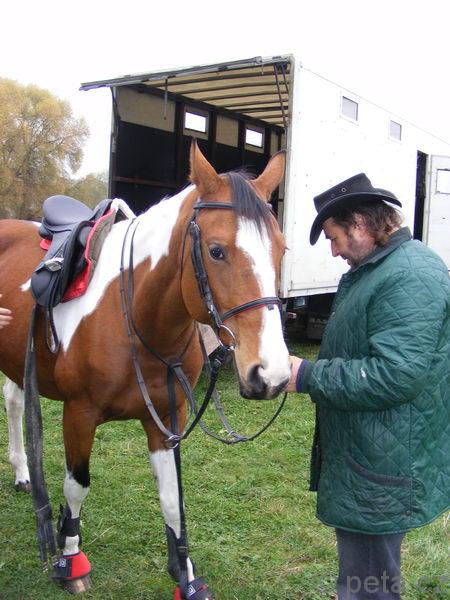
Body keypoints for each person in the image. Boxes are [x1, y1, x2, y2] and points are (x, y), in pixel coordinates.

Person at [286, 173, 449, 600]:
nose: (333, 250)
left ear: (359, 223)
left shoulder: (409, 274)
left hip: (383, 464)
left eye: (333, 237)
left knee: (370, 584)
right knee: (364, 574)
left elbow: (396, 374)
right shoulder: (381, 269)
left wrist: (306, 376)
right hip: (372, 451)